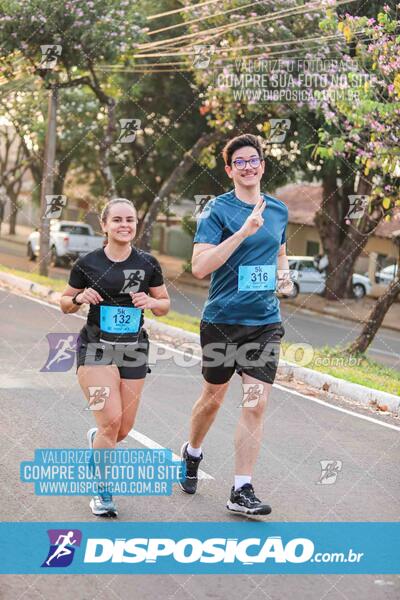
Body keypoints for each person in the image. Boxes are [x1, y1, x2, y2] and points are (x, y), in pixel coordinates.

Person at [179, 134, 292, 515]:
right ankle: (192, 451)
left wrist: (285, 276)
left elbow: (279, 248)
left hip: (264, 322)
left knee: (255, 403)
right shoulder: (217, 211)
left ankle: (241, 489)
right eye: (239, 161)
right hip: (222, 319)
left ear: (262, 165)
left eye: (253, 159)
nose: (248, 166)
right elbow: (199, 267)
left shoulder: (277, 209)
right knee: (213, 399)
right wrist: (243, 232)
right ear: (229, 170)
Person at [60, 198, 170, 517]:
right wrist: (80, 297)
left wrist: (150, 301)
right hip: (95, 348)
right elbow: (64, 302)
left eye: (131, 220)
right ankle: (103, 492)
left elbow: (164, 304)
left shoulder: (148, 263)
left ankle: (99, 439)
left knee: (121, 429)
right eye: (118, 220)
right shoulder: (87, 263)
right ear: (105, 225)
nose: (125, 225)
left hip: (133, 348)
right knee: (110, 421)